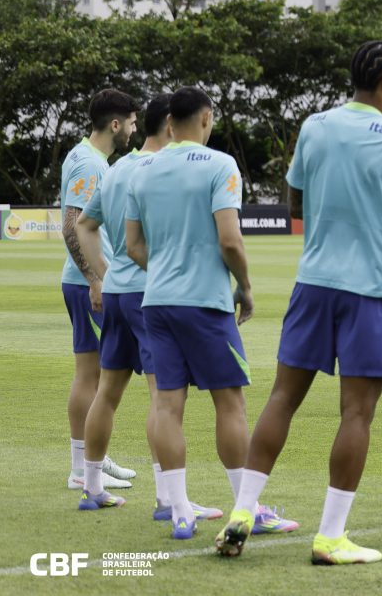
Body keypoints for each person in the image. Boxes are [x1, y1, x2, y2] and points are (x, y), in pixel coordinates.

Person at [217, 42, 382, 565]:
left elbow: (296, 203)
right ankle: (330, 537)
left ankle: (243, 510)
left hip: (314, 282)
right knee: (357, 412)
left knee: (283, 397)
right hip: (371, 289)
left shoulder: (316, 125)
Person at [125, 86, 296, 540]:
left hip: (157, 303)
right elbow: (230, 240)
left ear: (167, 124)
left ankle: (180, 510)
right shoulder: (220, 165)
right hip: (205, 303)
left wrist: (164, 269)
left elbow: (132, 246)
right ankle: (247, 509)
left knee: (166, 404)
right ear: (206, 118)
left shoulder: (141, 171)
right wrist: (245, 286)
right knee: (230, 403)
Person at [75, 94, 221, 520]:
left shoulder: (118, 169)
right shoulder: (163, 169)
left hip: (118, 290)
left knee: (107, 391)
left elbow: (85, 225)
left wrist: (103, 274)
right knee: (164, 397)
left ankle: (92, 486)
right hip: (150, 292)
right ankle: (168, 498)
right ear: (172, 125)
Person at [62, 88, 140, 493]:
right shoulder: (92, 165)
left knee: (94, 374)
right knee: (92, 376)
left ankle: (93, 457)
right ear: (115, 124)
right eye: (130, 121)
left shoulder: (85, 156)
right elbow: (72, 224)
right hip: (87, 282)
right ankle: (81, 466)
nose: (133, 128)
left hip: (85, 279)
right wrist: (96, 277)